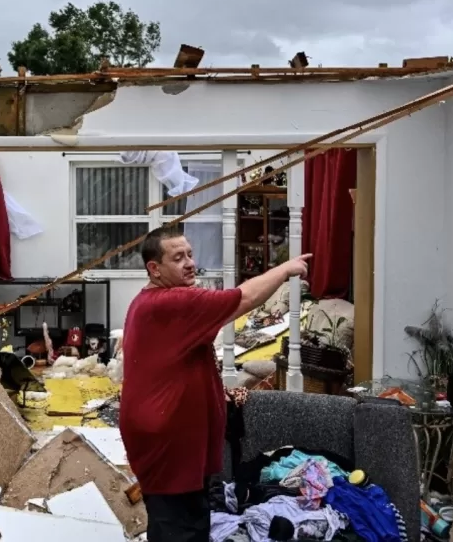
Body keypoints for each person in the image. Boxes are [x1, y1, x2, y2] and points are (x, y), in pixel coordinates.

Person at [119, 226, 310, 542]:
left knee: (185, 521)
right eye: (178, 258)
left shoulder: (156, 301)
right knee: (179, 528)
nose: (190, 263)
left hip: (172, 439)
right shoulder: (172, 302)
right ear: (154, 269)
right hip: (167, 443)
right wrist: (287, 269)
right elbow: (244, 297)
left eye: (190, 255)